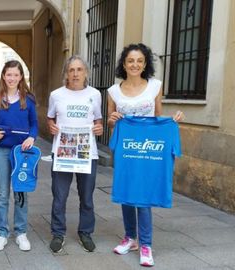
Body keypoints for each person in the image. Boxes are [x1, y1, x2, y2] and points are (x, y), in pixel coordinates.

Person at [107, 43, 183, 267]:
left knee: (144, 196)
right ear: (124, 63)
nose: (135, 64)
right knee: (126, 192)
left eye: (139, 61)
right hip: (127, 150)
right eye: (131, 61)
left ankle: (146, 244)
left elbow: (157, 119)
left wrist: (172, 121)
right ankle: (130, 237)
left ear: (145, 64)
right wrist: (112, 120)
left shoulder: (155, 86)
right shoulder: (113, 91)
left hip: (148, 151)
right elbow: (112, 122)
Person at [46, 55, 104, 253]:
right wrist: (51, 127)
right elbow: (50, 119)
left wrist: (99, 129)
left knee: (86, 196)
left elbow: (98, 121)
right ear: (66, 73)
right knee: (59, 196)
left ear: (86, 72)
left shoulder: (95, 94)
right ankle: (58, 233)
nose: (76, 73)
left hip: (87, 154)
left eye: (79, 69)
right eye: (72, 70)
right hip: (62, 153)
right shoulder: (56, 95)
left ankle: (85, 232)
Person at [0, 60, 38, 252]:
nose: (12, 78)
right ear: (3, 76)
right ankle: (2, 232)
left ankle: (21, 232)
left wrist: (32, 137)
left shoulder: (28, 100)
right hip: (2, 151)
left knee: (21, 191)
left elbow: (34, 124)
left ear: (21, 77)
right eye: (9, 74)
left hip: (22, 153)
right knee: (2, 193)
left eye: (16, 75)